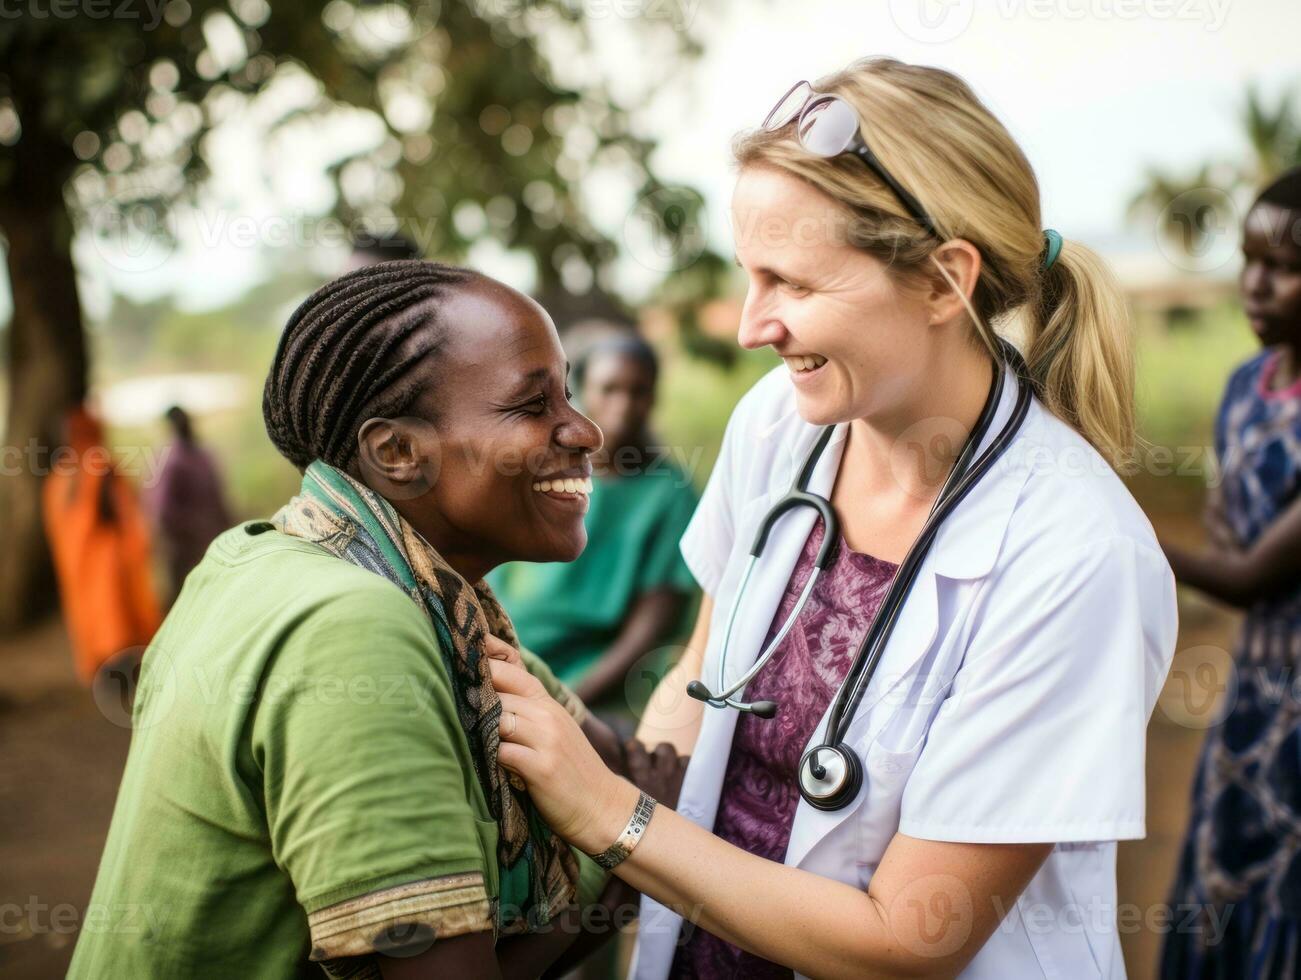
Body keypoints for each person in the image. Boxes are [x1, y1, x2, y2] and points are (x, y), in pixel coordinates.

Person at [482, 57, 1179, 979]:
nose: (749, 325)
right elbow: (697, 681)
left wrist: (612, 817)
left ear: (943, 282)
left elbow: (909, 940)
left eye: (792, 284)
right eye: (747, 276)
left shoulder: (1078, 557)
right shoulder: (780, 423)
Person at [70, 261, 683, 979]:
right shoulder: (350, 627)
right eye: (531, 406)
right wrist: (636, 855)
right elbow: (636, 796)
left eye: (568, 396)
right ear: (397, 453)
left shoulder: (301, 566)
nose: (582, 431)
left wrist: (630, 821)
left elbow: (610, 762)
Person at [1159, 167, 1301, 979]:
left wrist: (1128, 532)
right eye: (1248, 260)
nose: (1254, 284)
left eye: (1282, 268)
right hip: (1252, 691)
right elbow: (1228, 529)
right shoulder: (1246, 387)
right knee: (1224, 867)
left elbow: (1243, 571)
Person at [488, 332, 699, 726]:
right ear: (579, 392)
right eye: (609, 389)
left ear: (653, 398)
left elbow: (650, 629)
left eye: (639, 392)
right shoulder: (540, 469)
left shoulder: (669, 494)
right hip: (503, 657)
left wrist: (565, 703)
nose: (624, 405)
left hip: (594, 691)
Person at [41, 403, 162, 691]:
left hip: (80, 569)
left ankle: (109, 677)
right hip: (108, 564)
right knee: (116, 621)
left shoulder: (59, 479)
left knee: (99, 623)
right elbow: (123, 513)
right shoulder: (100, 466)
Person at [147, 404, 232, 602]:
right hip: (184, 552)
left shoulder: (202, 456)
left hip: (211, 545)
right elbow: (163, 512)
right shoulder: (171, 462)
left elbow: (219, 499)